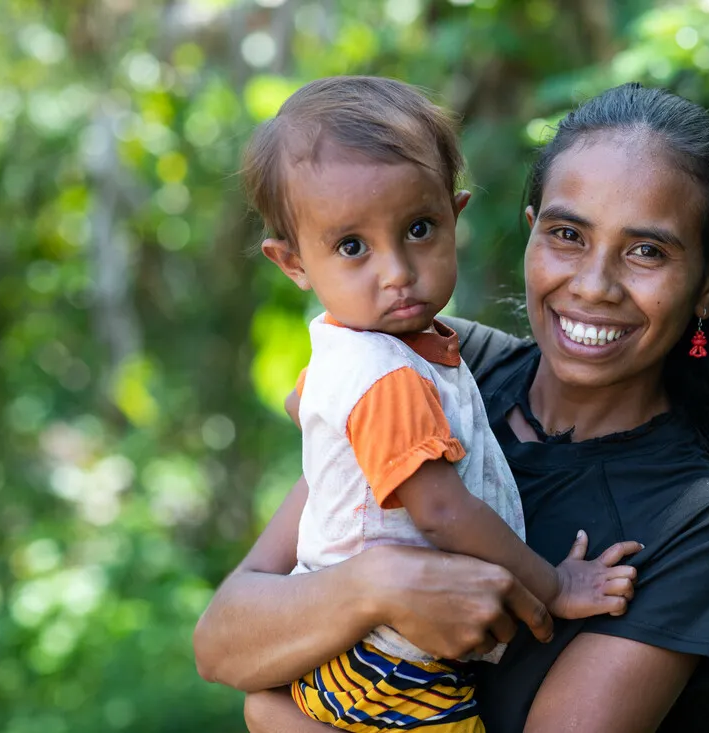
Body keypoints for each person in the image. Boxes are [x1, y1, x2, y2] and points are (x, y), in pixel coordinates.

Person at [195, 82, 709, 733]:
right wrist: (379, 584)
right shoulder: (437, 369)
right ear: (532, 234)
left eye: (645, 251)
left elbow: (263, 692)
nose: (593, 284)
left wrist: (281, 719)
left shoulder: (698, 517)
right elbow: (223, 640)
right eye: (568, 234)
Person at [241, 75, 641, 732]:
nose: (395, 270)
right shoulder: (386, 375)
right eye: (352, 246)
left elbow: (304, 404)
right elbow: (444, 511)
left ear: (456, 215)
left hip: (354, 650)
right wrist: (555, 585)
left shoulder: (359, 350)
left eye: (419, 228)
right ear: (293, 263)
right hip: (390, 666)